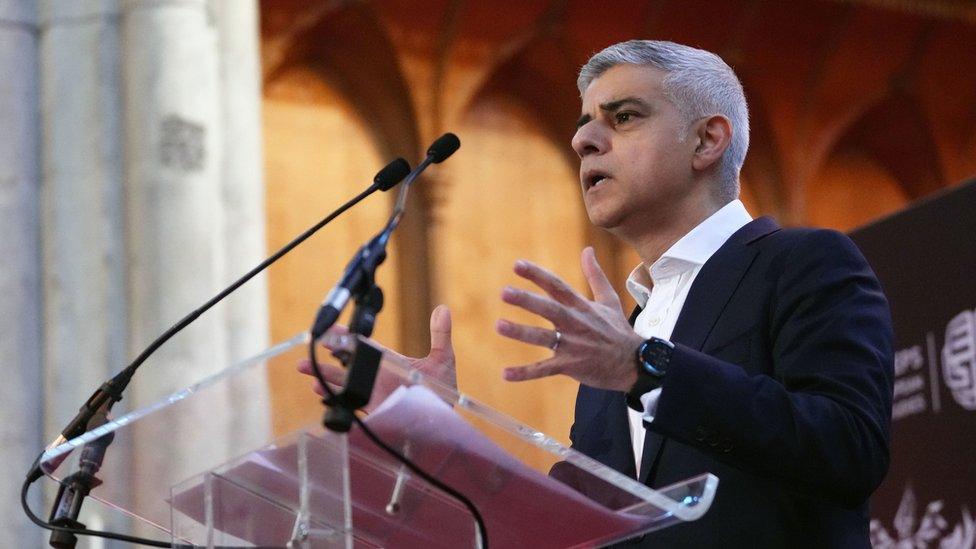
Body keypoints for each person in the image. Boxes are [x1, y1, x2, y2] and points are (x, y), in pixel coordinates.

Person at [301, 39, 894, 547]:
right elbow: (563, 525)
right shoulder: (618, 338)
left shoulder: (803, 263)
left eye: (624, 116)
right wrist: (434, 431)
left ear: (708, 140)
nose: (585, 140)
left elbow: (849, 448)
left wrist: (646, 367)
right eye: (584, 123)